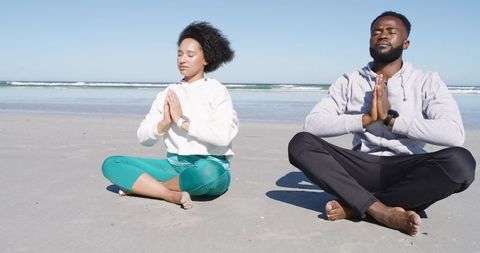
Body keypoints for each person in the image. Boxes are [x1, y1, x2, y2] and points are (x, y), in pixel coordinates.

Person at [288, 11, 475, 236]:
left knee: (461, 163)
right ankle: (382, 211)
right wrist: (365, 120)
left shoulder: (426, 81)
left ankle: (356, 207)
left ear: (405, 43)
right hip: (360, 166)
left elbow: (454, 134)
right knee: (300, 144)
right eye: (376, 32)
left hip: (405, 169)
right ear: (369, 40)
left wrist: (391, 120)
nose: (382, 35)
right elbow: (313, 124)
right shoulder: (350, 81)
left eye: (390, 31)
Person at [102, 22, 238, 209]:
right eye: (180, 54)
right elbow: (143, 138)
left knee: (206, 174)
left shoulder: (217, 91)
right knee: (112, 164)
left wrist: (182, 122)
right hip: (172, 167)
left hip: (210, 165)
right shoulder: (167, 93)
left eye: (190, 55)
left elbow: (223, 137)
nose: (182, 60)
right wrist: (164, 123)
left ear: (206, 58)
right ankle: (168, 194)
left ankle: (145, 189)